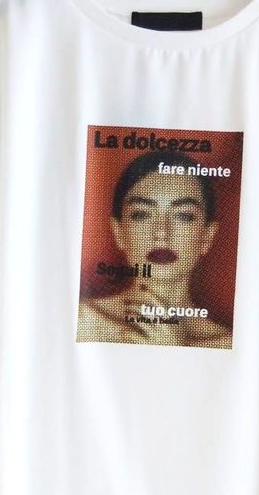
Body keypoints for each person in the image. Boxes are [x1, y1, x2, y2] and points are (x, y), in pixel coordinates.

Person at [77, 148, 233, 348]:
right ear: (119, 232)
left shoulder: (226, 345)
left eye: (184, 216)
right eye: (141, 214)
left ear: (207, 237)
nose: (161, 232)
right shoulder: (83, 323)